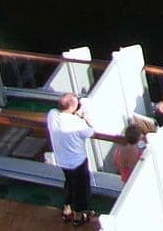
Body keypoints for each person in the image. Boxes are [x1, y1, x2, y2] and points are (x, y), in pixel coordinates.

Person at [46, 92, 96, 226]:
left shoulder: (52, 115)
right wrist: (84, 117)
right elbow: (91, 131)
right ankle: (80, 215)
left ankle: (67, 210)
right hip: (78, 161)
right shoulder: (77, 123)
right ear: (73, 107)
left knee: (69, 183)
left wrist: (75, 113)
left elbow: (59, 112)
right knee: (81, 188)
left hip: (62, 160)